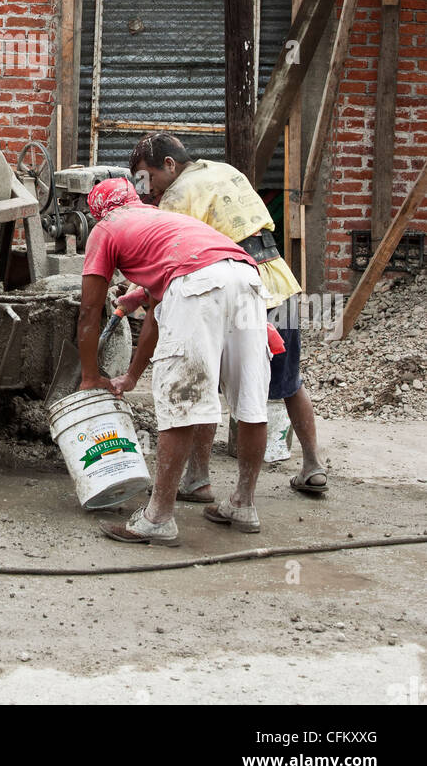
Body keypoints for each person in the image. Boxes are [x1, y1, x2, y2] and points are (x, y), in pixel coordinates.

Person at [129, 133, 327, 499]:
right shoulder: (225, 170)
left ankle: (198, 478)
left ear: (169, 165)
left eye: (147, 177)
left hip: (236, 291)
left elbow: (178, 260)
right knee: (288, 382)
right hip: (278, 279)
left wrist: (142, 296)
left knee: (207, 381)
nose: (147, 190)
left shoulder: (175, 198)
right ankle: (313, 465)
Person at [77, 178, 270, 546]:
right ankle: (243, 504)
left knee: (180, 400)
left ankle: (158, 517)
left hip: (197, 282)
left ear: (96, 213)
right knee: (251, 400)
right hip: (245, 275)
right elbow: (156, 313)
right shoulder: (163, 220)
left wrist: (89, 376)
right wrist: (132, 376)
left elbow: (89, 312)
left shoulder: (106, 228)